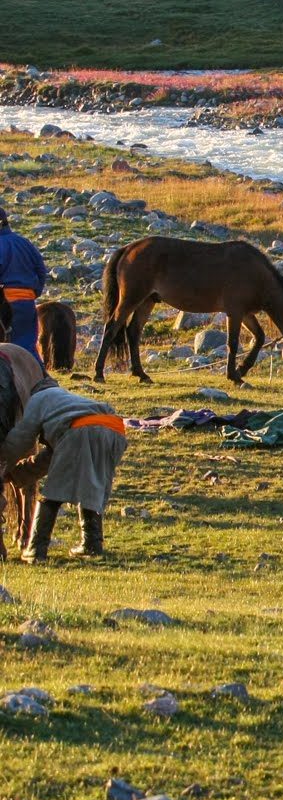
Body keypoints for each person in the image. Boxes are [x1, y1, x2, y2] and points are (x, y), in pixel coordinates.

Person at [0, 375, 127, 562]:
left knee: (53, 493)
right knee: (92, 487)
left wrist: (3, 464)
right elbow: (50, 458)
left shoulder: (38, 398)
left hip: (80, 432)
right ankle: (91, 544)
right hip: (114, 432)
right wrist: (16, 475)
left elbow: (21, 439)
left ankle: (36, 549)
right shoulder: (68, 401)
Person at [0, 208, 48, 362]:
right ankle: (40, 376)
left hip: (4, 306)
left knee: (4, 350)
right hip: (27, 302)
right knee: (28, 347)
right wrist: (34, 293)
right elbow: (41, 270)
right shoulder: (24, 242)